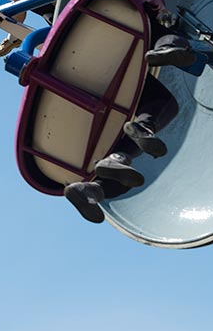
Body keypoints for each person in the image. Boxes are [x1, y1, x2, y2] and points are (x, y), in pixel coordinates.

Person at [63, 75, 179, 223]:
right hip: (103, 73)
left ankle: (91, 188)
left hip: (60, 140)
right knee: (163, 102)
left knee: (123, 181)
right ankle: (141, 130)